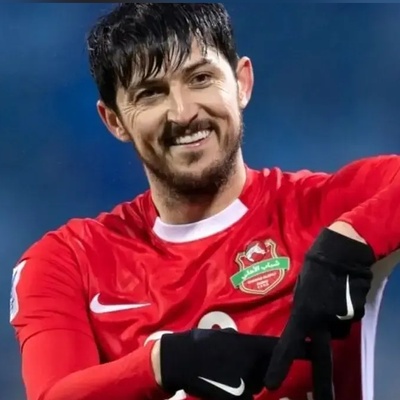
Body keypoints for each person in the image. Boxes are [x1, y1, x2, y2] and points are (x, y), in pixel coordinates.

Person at [10, 3, 400, 400]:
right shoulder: (69, 262)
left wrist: (347, 242)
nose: (183, 113)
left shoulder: (322, 209)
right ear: (114, 120)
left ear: (242, 82)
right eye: (151, 94)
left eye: (200, 78)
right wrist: (162, 364)